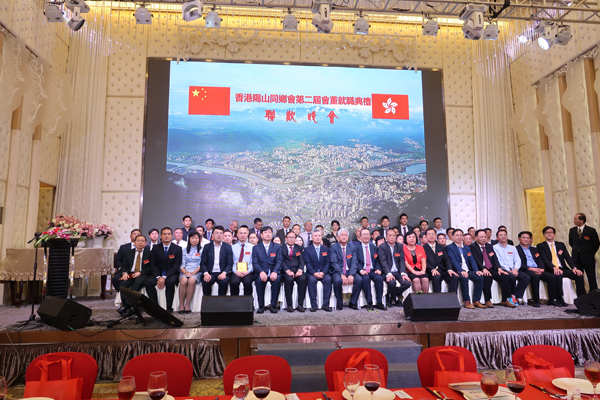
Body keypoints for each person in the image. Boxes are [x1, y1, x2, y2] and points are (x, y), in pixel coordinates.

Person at [516, 231, 562, 307]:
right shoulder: (516, 249)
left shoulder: (534, 249)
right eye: (524, 237)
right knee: (535, 276)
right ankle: (536, 300)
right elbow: (517, 263)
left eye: (528, 238)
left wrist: (542, 268)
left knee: (552, 277)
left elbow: (540, 260)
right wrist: (530, 268)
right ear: (519, 238)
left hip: (537, 269)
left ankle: (551, 299)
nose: (526, 239)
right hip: (526, 269)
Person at [537, 226, 586, 298]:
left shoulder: (560, 245)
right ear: (544, 235)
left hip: (562, 268)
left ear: (554, 234)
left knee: (579, 275)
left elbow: (568, 257)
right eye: (547, 233)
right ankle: (560, 298)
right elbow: (545, 259)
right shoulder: (541, 246)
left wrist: (574, 268)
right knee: (558, 275)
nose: (549, 234)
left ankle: (582, 297)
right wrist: (554, 268)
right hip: (550, 269)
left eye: (551, 232)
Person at [470, 229, 513, 308]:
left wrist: (499, 268)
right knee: (487, 277)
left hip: (492, 268)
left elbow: (494, 258)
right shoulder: (473, 246)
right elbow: (476, 259)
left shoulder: (489, 246)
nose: (484, 238)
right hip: (481, 269)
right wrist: (483, 268)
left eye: (485, 237)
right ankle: (487, 300)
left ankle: (505, 300)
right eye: (481, 237)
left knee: (505, 276)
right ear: (476, 237)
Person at [145, 227, 182, 313]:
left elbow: (176, 265)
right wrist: (158, 276)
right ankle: (155, 306)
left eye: (168, 234)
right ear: (161, 236)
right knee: (148, 282)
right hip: (158, 272)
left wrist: (164, 277)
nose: (166, 236)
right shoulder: (155, 248)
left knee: (170, 282)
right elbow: (152, 264)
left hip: (171, 273)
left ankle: (169, 307)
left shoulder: (177, 249)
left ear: (172, 236)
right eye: (164, 234)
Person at [446, 229, 486, 309]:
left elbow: (472, 260)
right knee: (464, 278)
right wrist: (461, 271)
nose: (459, 237)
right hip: (457, 270)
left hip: (468, 270)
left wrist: (476, 270)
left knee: (480, 278)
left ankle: (476, 301)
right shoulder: (449, 247)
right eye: (457, 235)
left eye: (461, 235)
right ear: (452, 237)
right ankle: (467, 301)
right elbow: (453, 260)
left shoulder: (467, 248)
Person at [493, 230, 530, 306]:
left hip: (514, 269)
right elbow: (498, 260)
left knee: (526, 277)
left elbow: (518, 260)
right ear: (497, 238)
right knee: (511, 277)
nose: (503, 236)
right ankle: (509, 297)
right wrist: (509, 270)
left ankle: (514, 295)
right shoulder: (494, 247)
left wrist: (515, 269)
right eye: (501, 235)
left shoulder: (512, 248)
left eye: (505, 235)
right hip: (503, 269)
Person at [118, 234, 151, 316]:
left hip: (142, 274)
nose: (140, 243)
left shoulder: (149, 253)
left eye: (142, 241)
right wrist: (124, 273)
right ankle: (127, 307)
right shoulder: (129, 253)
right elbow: (124, 266)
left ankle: (126, 306)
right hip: (130, 273)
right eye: (138, 241)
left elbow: (151, 267)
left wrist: (141, 272)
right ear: (134, 242)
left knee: (137, 283)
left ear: (145, 243)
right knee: (123, 285)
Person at [252, 226, 282, 313]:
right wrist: (261, 272)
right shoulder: (256, 248)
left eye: (270, 232)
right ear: (261, 235)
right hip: (261, 272)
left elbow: (279, 261)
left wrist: (275, 272)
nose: (268, 234)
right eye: (265, 232)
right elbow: (255, 263)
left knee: (277, 280)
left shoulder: (277, 247)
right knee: (259, 281)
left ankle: (273, 305)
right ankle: (261, 306)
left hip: (273, 271)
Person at [354, 228, 386, 311]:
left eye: (367, 234)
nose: (366, 236)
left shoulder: (375, 248)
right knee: (365, 279)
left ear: (370, 236)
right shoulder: (356, 248)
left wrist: (378, 269)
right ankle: (369, 303)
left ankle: (379, 302)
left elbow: (378, 260)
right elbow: (355, 261)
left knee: (379, 278)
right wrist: (361, 270)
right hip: (363, 270)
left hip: (373, 270)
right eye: (364, 234)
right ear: (360, 236)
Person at [377, 229, 411, 307]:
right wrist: (388, 274)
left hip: (398, 271)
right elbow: (383, 262)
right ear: (386, 237)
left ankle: (392, 296)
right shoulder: (382, 246)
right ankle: (396, 299)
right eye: (390, 236)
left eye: (393, 235)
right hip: (387, 271)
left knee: (407, 283)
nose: (392, 237)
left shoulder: (400, 246)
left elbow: (402, 261)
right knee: (392, 283)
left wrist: (403, 273)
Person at [330, 228, 361, 310]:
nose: (344, 237)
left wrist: (351, 274)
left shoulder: (352, 247)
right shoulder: (333, 247)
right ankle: (339, 302)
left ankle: (353, 302)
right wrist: (341, 274)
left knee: (359, 280)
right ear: (338, 237)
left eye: (345, 235)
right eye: (342, 235)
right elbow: (334, 262)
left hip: (350, 270)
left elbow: (354, 262)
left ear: (348, 237)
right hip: (338, 271)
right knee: (337, 281)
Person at [569, 213, 600, 291]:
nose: (574, 220)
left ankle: (594, 294)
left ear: (582, 220)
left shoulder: (591, 230)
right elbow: (571, 242)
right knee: (578, 277)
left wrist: (589, 253)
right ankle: (580, 294)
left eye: (576, 219)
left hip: (588, 258)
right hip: (576, 258)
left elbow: (596, 244)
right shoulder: (572, 230)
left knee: (591, 277)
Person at [200, 225, 233, 296]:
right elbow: (203, 263)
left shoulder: (227, 247)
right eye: (217, 233)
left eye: (221, 233)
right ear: (212, 235)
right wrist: (206, 273)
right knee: (206, 281)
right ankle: (207, 302)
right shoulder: (207, 247)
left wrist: (224, 273)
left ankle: (221, 302)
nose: (219, 235)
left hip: (222, 272)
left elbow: (229, 263)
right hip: (210, 273)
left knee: (224, 282)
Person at [304, 229, 333, 312]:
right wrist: (314, 273)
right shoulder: (307, 249)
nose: (317, 237)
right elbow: (308, 263)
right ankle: (313, 305)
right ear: (312, 238)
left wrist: (323, 272)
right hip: (312, 273)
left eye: (319, 236)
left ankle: (326, 304)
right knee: (311, 280)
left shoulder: (326, 249)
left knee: (328, 279)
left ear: (321, 237)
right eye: (315, 236)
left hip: (324, 272)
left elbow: (328, 262)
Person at [424, 228, 459, 293]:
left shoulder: (442, 247)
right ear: (426, 236)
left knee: (454, 277)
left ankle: (452, 297)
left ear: (436, 236)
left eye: (433, 234)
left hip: (442, 270)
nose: (431, 236)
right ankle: (437, 298)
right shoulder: (423, 248)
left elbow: (446, 259)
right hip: (431, 271)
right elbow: (425, 262)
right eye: (429, 234)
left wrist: (449, 270)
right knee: (437, 277)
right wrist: (432, 269)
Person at [281, 231, 307, 312]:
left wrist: (300, 270)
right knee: (289, 280)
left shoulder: (299, 248)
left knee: (303, 279)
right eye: (289, 237)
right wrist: (287, 270)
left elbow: (301, 260)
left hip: (297, 270)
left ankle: (300, 304)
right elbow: (281, 261)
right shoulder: (281, 248)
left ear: (295, 239)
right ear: (286, 238)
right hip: (286, 271)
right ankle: (289, 305)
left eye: (293, 237)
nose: (291, 239)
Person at [178, 231, 202, 313]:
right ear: (189, 239)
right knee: (184, 280)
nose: (194, 240)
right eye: (192, 238)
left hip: (196, 272)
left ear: (199, 239)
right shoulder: (184, 250)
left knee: (191, 280)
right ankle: (181, 304)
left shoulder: (202, 250)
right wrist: (185, 272)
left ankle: (187, 304)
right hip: (185, 271)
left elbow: (201, 264)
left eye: (196, 238)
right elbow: (182, 263)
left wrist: (193, 273)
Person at [230, 225, 254, 297]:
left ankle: (247, 302)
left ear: (247, 234)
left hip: (248, 271)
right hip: (235, 271)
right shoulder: (232, 247)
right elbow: (230, 262)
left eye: (244, 233)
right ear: (237, 235)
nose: (242, 235)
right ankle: (234, 302)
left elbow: (253, 262)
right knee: (234, 282)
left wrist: (248, 271)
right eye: (240, 233)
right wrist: (235, 271)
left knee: (247, 282)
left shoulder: (253, 247)